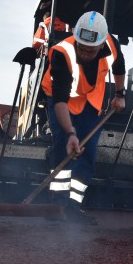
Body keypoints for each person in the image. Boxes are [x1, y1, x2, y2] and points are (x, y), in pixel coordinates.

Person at [41, 11, 126, 224]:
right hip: (62, 101)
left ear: (101, 44)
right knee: (63, 148)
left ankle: (73, 207)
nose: (86, 54)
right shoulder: (62, 53)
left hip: (90, 101)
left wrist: (119, 94)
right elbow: (60, 100)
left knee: (87, 154)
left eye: (92, 50)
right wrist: (70, 133)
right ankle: (57, 206)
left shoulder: (110, 43)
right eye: (83, 48)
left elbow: (119, 66)